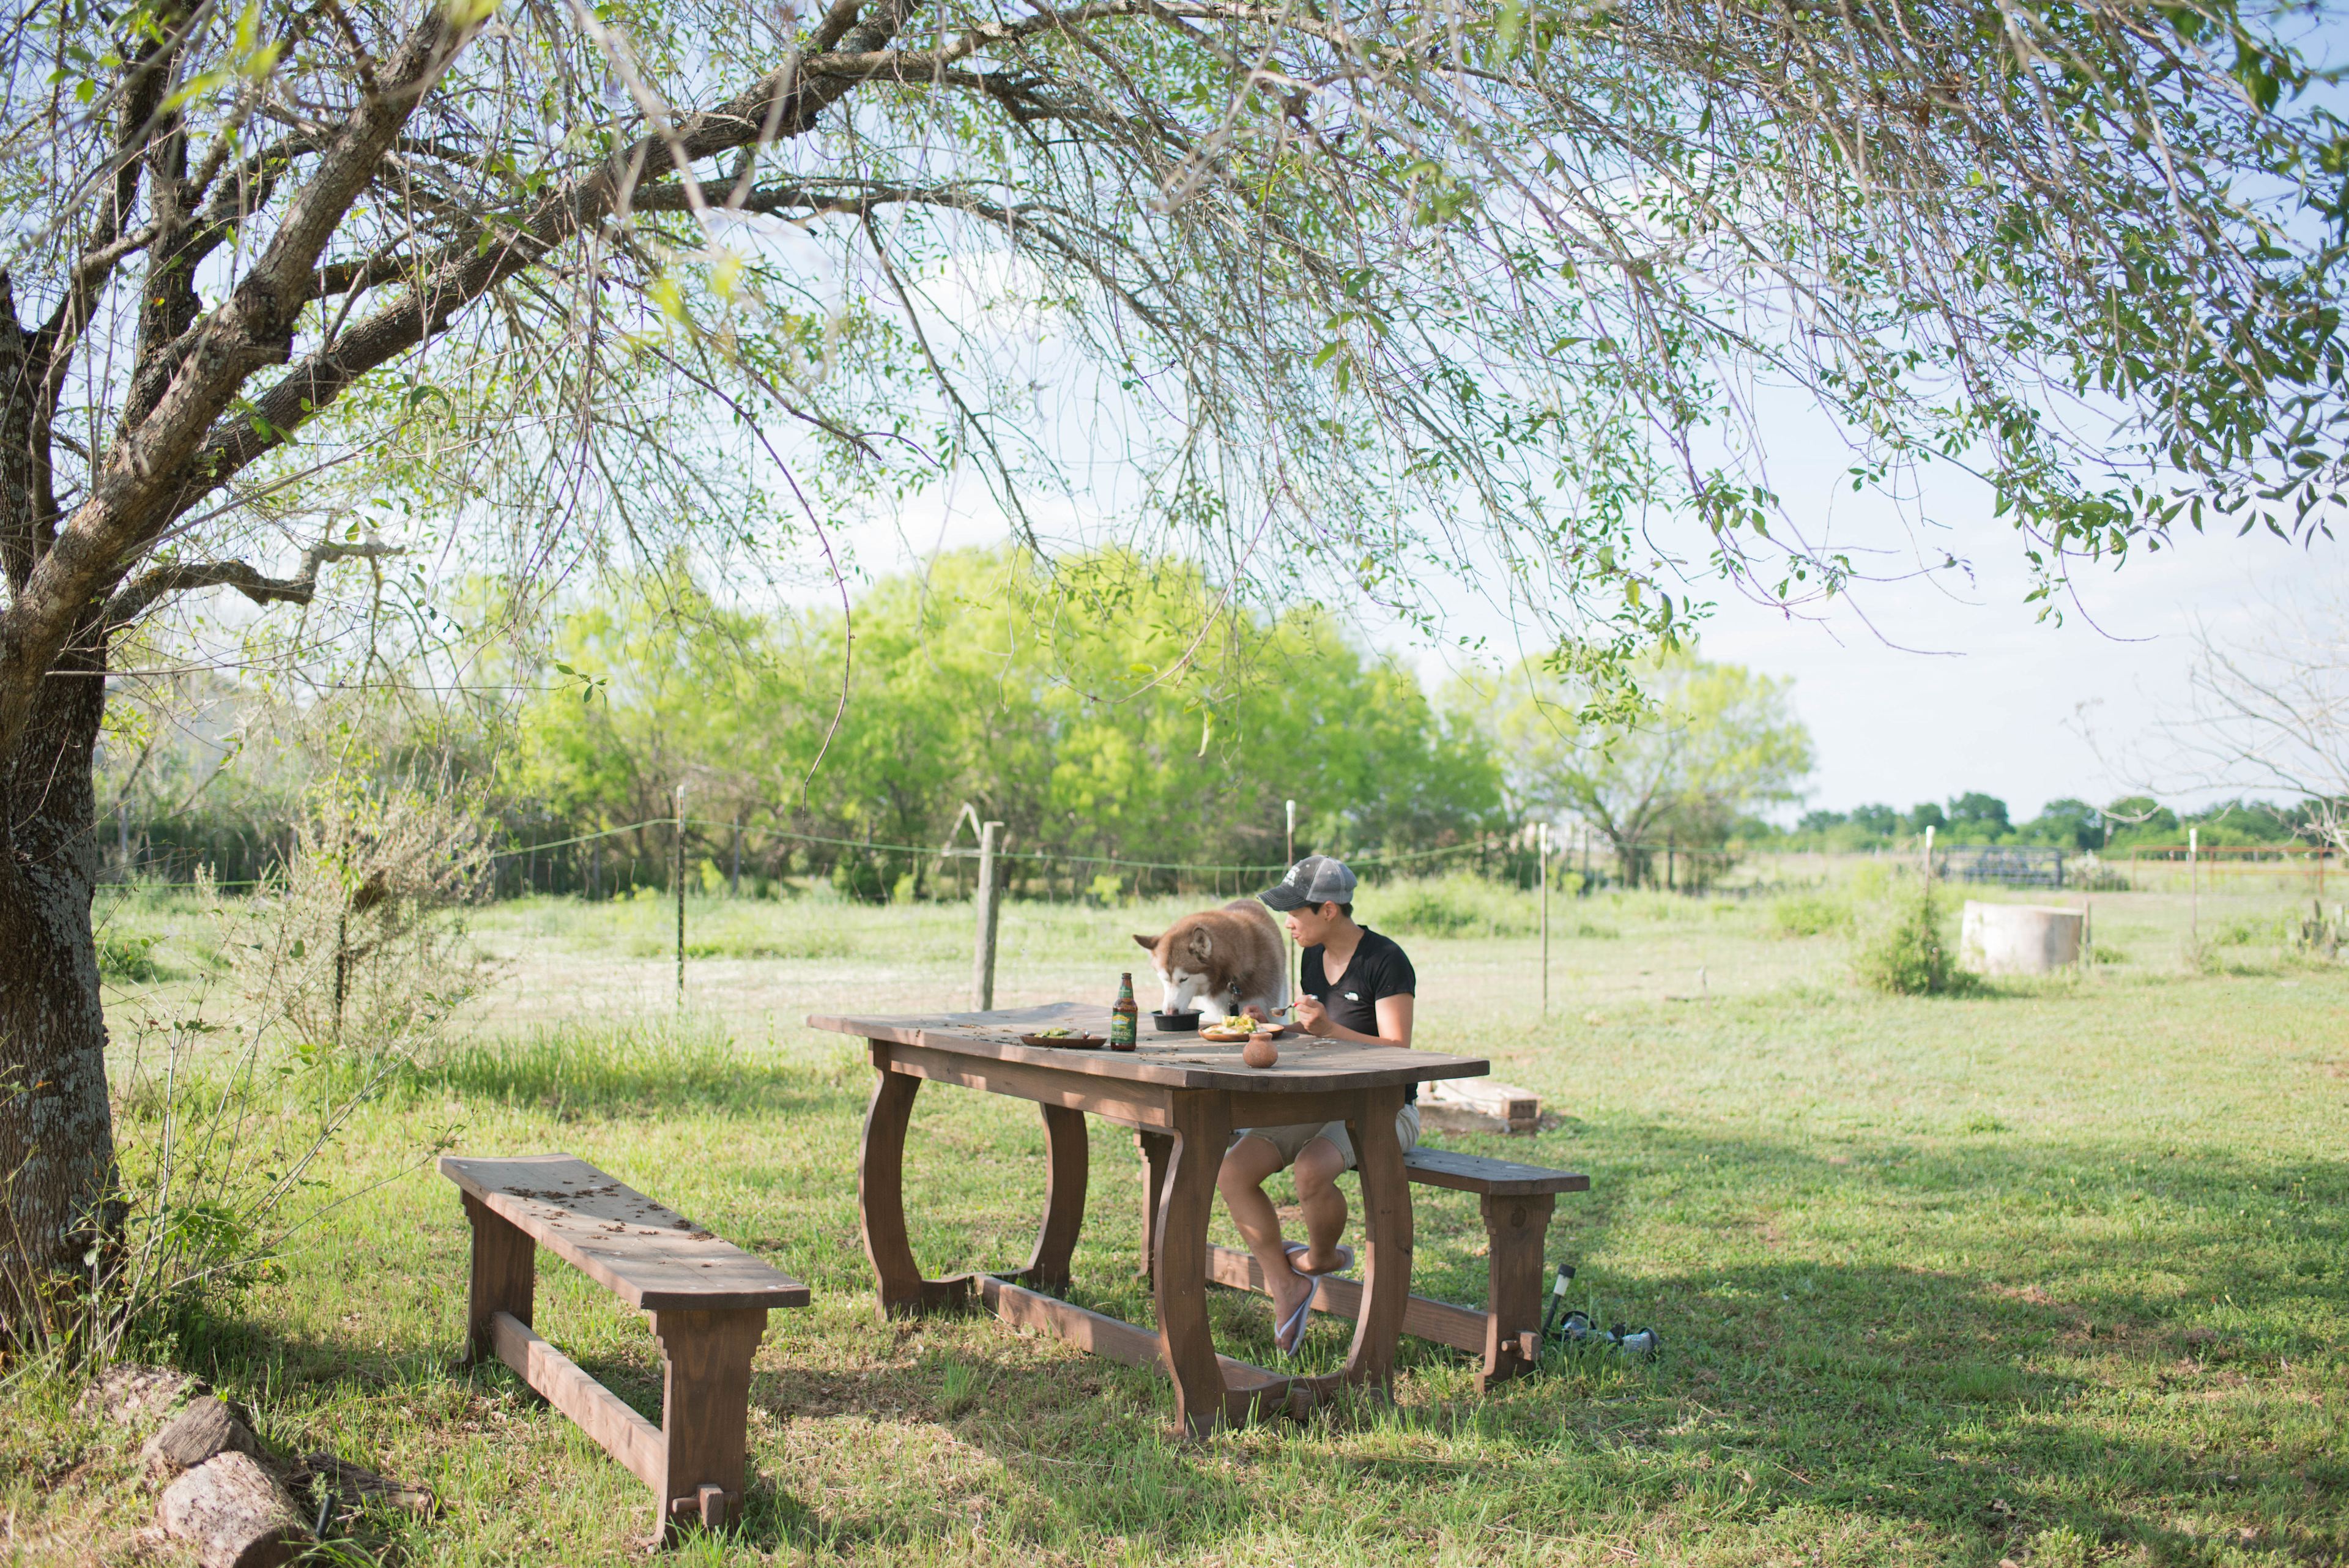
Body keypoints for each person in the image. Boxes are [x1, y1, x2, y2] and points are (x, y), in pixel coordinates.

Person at [1215, 853, 1419, 1356]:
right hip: (1322, 1101)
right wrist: (1273, 1023)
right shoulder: (1311, 955)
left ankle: (1322, 1259)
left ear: (1329, 910)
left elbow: (1401, 1050)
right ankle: (1286, 1283)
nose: (1286, 922)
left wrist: (1330, 1028)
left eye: (1295, 912)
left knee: (1310, 1170)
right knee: (1232, 1171)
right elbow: (1311, 1028)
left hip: (1386, 1107)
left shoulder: (1386, 961)